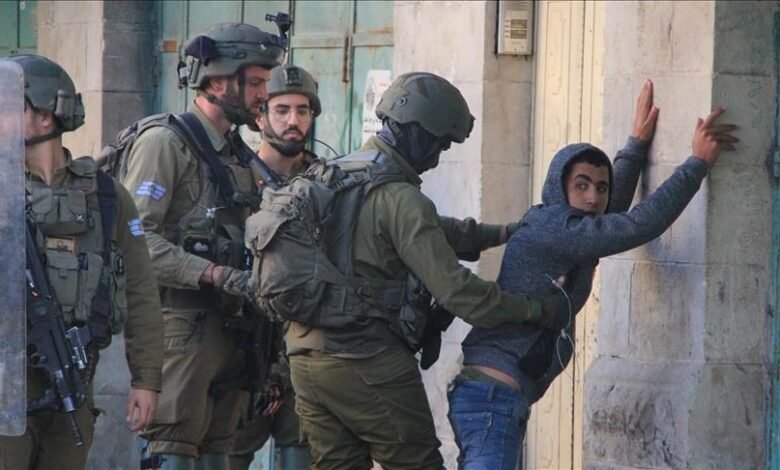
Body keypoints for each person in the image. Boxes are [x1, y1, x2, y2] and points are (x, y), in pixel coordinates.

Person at [284, 72, 569, 470]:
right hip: (367, 360)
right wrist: (537, 310)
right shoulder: (400, 197)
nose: (436, 158)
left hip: (305, 358)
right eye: (440, 144)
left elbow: (434, 230)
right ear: (417, 132)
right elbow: (461, 294)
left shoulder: (337, 173)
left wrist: (505, 233)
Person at [449, 80, 739, 469]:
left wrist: (635, 146)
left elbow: (610, 213)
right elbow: (636, 225)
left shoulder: (571, 230)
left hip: (495, 398)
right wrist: (696, 164)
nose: (593, 197)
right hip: (491, 401)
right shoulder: (556, 228)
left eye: (600, 187)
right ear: (559, 187)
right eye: (581, 185)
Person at [120, 22, 285, 469]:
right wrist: (212, 273)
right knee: (172, 449)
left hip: (234, 330)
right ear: (217, 81)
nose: (263, 95)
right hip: (181, 327)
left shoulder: (237, 155)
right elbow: (135, 241)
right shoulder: (165, 143)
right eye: (255, 83)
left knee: (221, 453)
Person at [0, 53, 163, 469]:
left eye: (8, 106)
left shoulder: (106, 196)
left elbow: (141, 291)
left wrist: (147, 380)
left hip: (75, 377)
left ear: (45, 115)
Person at [228, 63, 319, 470]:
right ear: (260, 117)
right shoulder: (234, 178)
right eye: (281, 110)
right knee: (228, 453)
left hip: (304, 349)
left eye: (303, 110)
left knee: (302, 454)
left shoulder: (324, 182)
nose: (292, 121)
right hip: (240, 346)